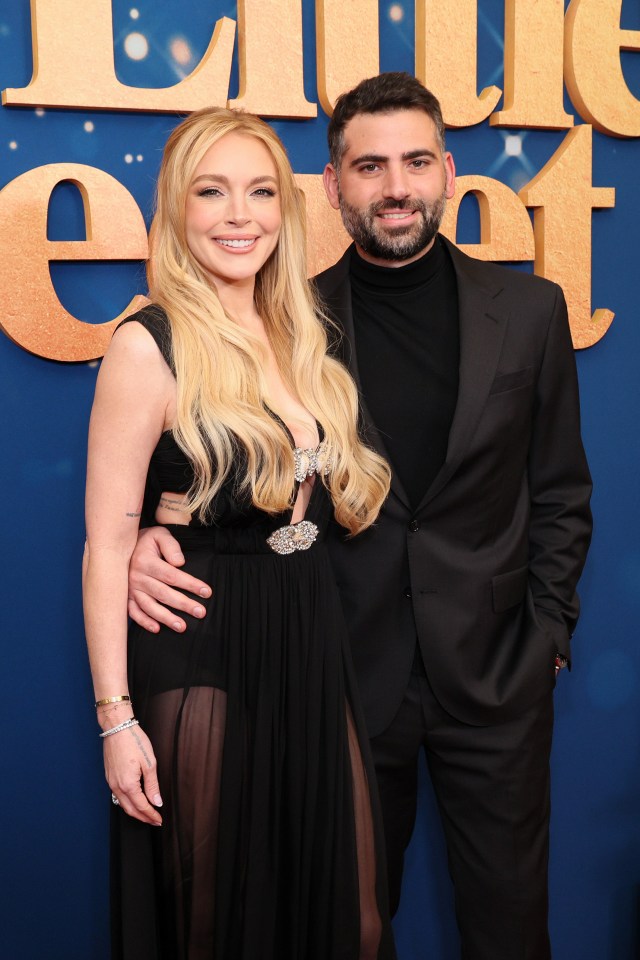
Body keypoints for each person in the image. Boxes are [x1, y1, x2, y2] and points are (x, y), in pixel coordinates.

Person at [127, 75, 593, 960]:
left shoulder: (530, 312)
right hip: (337, 673)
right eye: (368, 166)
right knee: (341, 927)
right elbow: (219, 458)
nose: (396, 187)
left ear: (449, 171)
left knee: (510, 927)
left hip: (496, 678)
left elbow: (562, 488)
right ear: (333, 187)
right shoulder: (285, 321)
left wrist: (549, 630)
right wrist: (157, 532)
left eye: (416, 161)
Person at [83, 105, 397, 960]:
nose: (239, 215)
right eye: (212, 192)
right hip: (200, 644)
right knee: (213, 923)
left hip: (305, 634)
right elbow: (107, 545)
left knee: (352, 920)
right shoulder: (148, 346)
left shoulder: (301, 335)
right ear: (177, 209)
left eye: (260, 192)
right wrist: (116, 722)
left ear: (285, 212)